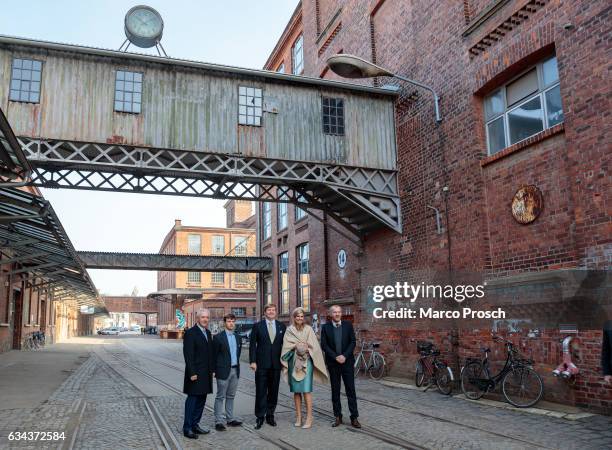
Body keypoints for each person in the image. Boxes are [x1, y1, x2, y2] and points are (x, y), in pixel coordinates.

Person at [281, 307, 329, 429]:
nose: (300, 318)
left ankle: (309, 417)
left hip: (307, 363)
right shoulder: (289, 330)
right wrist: (295, 346)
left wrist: (307, 348)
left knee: (306, 390)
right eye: (297, 316)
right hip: (294, 362)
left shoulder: (308, 329)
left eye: (302, 316)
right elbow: (286, 347)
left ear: (304, 318)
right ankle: (298, 416)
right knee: (296, 391)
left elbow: (315, 346)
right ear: (294, 317)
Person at [320, 305, 361, 428]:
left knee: (351, 390)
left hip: (347, 362)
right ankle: (338, 416)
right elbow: (324, 345)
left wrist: (344, 356)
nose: (337, 314)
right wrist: (335, 356)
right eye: (335, 312)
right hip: (333, 363)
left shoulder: (348, 325)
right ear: (331, 314)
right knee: (335, 390)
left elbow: (352, 342)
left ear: (341, 313)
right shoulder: (325, 327)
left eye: (339, 312)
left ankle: (354, 417)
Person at [249, 303, 286, 429]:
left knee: (273, 391)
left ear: (276, 312)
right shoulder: (257, 326)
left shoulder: (282, 326)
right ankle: (260, 416)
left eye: (273, 310)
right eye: (269, 310)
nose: (271, 312)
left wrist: (285, 362)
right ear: (265, 312)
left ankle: (270, 415)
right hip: (261, 364)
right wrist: (253, 361)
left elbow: (285, 346)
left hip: (276, 365)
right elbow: (252, 345)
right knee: (260, 391)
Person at [182, 308, 214, 439]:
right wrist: (192, 372)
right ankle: (187, 428)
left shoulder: (208, 332)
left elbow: (210, 354)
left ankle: (195, 424)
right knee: (192, 400)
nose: (205, 319)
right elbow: (188, 355)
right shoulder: (191, 333)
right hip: (195, 373)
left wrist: (212, 370)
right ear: (197, 319)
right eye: (203, 317)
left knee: (202, 400)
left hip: (206, 374)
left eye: (207, 317)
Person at [212, 313, 243, 431]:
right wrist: (213, 370)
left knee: (231, 396)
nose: (231, 323)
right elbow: (214, 355)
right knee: (220, 396)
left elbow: (237, 354)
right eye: (229, 321)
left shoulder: (238, 337)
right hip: (223, 371)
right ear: (225, 323)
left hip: (235, 370)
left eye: (233, 321)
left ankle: (230, 419)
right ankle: (218, 421)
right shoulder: (218, 337)